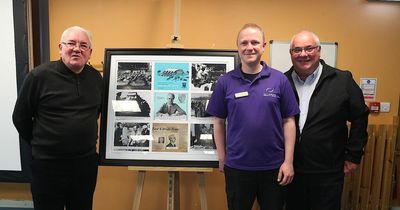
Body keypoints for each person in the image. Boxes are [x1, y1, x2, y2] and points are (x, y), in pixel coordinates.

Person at [206, 23, 300, 210]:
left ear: (264, 46)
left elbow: (289, 121)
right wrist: (222, 158)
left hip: (274, 168)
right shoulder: (225, 82)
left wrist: (288, 162)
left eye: (255, 42)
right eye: (244, 43)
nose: (250, 47)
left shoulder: (279, 79)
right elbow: (218, 122)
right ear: (238, 47)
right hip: (238, 169)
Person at [12, 26, 103, 210]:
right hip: (47, 166)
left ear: (90, 53)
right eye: (71, 43)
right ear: (60, 47)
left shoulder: (96, 79)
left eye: (83, 45)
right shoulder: (38, 76)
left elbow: (96, 112)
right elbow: (20, 117)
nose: (77, 48)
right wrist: (42, 142)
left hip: (85, 165)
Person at [284, 30, 369, 210]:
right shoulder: (281, 82)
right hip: (290, 170)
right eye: (297, 50)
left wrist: (354, 155)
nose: (303, 54)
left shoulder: (342, 80)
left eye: (309, 48)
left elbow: (360, 115)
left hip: (328, 172)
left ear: (319, 50)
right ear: (291, 54)